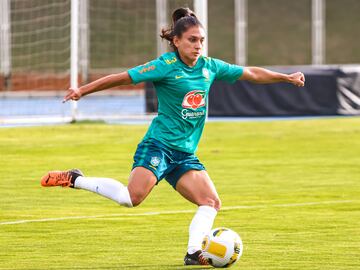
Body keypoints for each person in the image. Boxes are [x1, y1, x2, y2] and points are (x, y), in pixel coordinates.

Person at [40, 7, 305, 266]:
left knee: (211, 202)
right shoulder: (164, 66)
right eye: (192, 40)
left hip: (185, 154)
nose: (198, 45)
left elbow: (251, 73)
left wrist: (286, 77)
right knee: (130, 199)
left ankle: (193, 253)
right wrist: (82, 91)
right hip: (159, 145)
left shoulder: (209, 67)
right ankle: (76, 179)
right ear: (176, 42)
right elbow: (122, 78)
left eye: (201, 40)